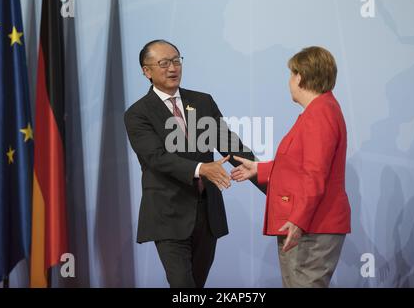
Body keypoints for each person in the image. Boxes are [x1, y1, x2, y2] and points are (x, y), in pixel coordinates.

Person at [124, 39, 259, 288]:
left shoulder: (202, 101)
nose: (173, 68)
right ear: (147, 71)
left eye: (176, 60)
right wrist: (201, 169)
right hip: (168, 216)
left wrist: (269, 178)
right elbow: (155, 158)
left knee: (197, 286)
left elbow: (231, 145)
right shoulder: (138, 113)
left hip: (207, 214)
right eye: (163, 63)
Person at [231, 46, 351, 288]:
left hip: (311, 228)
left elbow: (315, 173)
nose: (289, 81)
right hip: (310, 224)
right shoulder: (320, 111)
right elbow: (299, 163)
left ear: (301, 77)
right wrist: (260, 169)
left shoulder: (320, 114)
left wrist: (298, 220)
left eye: (291, 74)